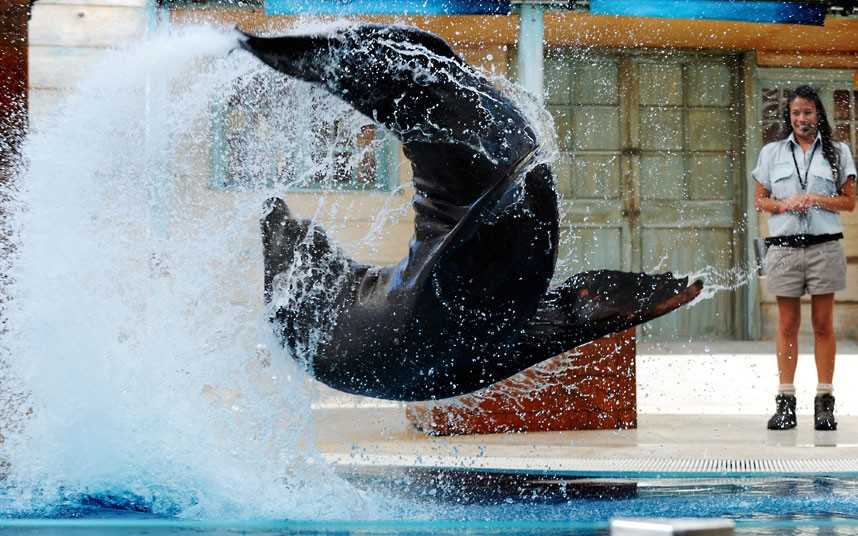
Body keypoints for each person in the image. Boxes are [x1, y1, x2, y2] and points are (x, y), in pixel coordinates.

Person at [753, 85, 856, 431]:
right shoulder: (771, 152)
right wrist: (784, 203)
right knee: (787, 324)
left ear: (818, 114)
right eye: (796, 113)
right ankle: (785, 403)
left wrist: (813, 198)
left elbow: (849, 202)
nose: (801, 119)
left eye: (808, 112)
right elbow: (760, 200)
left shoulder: (838, 152)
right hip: (783, 247)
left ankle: (825, 402)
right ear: (789, 117)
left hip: (824, 246)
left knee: (824, 324)